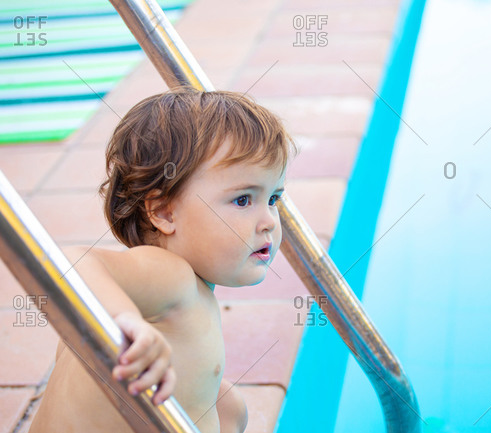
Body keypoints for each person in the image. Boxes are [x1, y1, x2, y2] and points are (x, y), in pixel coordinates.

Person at [29, 87, 297, 433]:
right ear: (163, 211)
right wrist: (123, 322)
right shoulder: (167, 274)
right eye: (244, 200)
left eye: (273, 198)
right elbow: (71, 264)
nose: (269, 221)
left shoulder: (175, 290)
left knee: (228, 407)